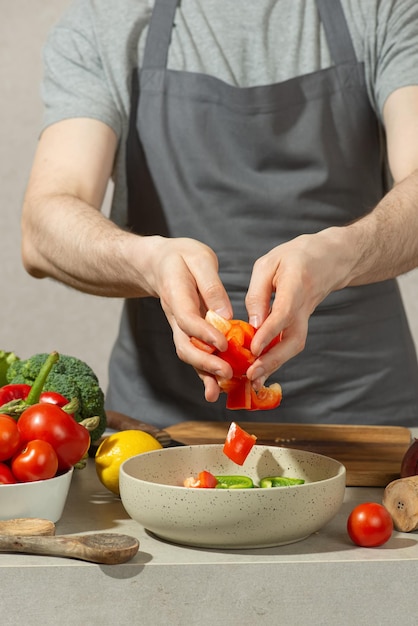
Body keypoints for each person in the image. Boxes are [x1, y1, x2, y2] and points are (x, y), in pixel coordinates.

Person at [21, 0, 418, 429]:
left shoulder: (384, 9)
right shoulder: (104, 21)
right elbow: (44, 226)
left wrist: (344, 252)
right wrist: (148, 263)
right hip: (163, 428)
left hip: (367, 419)